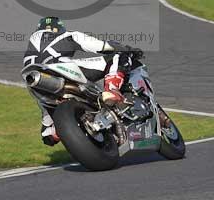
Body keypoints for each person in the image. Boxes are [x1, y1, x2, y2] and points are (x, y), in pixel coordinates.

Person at [22, 16, 138, 146]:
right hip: (59, 69)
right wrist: (124, 48)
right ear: (59, 28)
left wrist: (54, 133)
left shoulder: (31, 47)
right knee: (119, 57)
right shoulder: (67, 35)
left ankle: (53, 130)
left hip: (35, 84)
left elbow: (48, 140)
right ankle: (112, 89)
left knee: (49, 128)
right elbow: (102, 46)